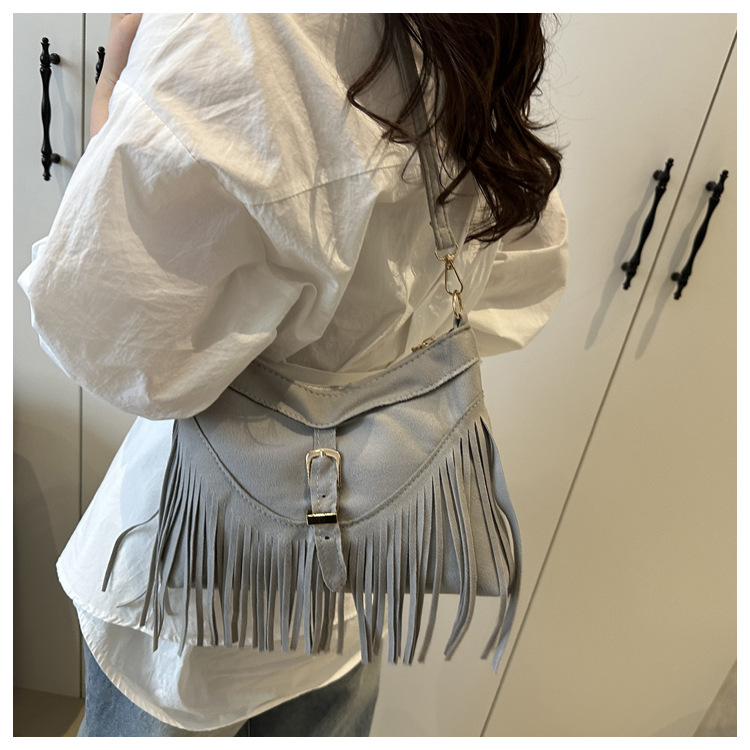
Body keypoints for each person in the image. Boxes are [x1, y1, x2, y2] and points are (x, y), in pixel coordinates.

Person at [18, 13, 568, 737]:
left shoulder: (233, 32)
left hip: (191, 622)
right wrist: (376, 358)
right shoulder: (476, 31)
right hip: (349, 599)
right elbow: (524, 286)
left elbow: (119, 346)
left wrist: (109, 111)